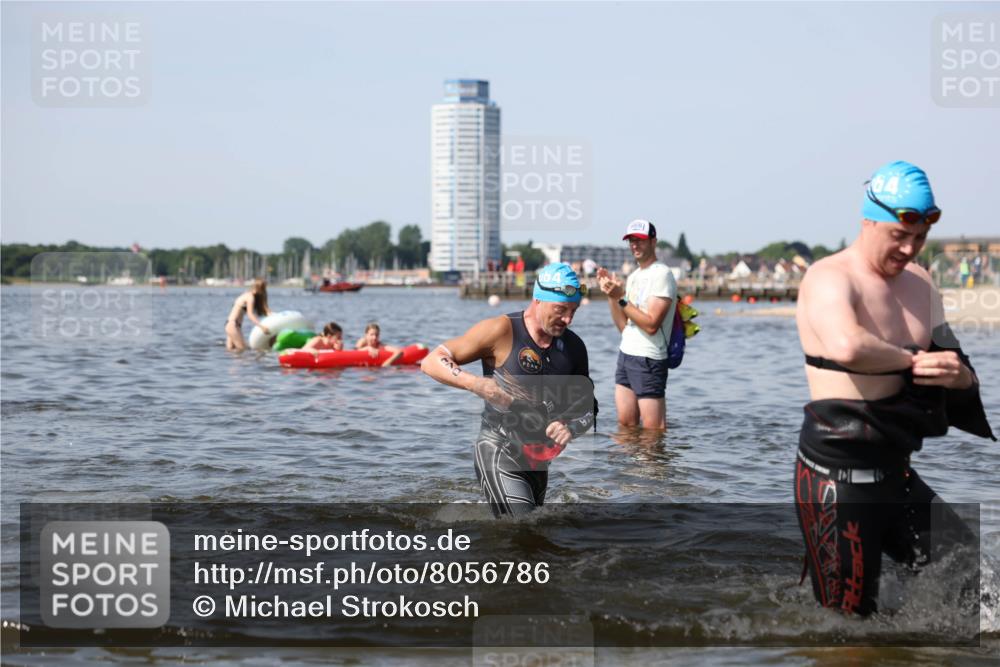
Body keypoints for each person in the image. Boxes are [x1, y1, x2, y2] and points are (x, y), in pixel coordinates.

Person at [794, 161, 995, 616]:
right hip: (835, 482)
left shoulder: (922, 284)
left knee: (979, 589)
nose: (909, 248)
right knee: (847, 629)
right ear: (868, 221)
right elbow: (847, 345)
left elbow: (956, 359)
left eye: (920, 238)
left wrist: (960, 377)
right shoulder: (829, 277)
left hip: (898, 475)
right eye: (898, 236)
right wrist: (913, 361)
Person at [420, 263, 596, 517]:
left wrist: (570, 426)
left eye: (573, 311)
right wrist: (477, 384)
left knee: (536, 536)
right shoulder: (502, 330)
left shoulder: (574, 347)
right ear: (538, 299)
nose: (567, 319)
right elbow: (432, 361)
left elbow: (588, 408)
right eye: (560, 310)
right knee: (522, 530)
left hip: (538, 463)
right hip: (498, 447)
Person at [596, 219, 677, 429]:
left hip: (649, 357)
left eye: (640, 240)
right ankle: (629, 464)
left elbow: (651, 325)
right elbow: (624, 327)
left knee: (653, 430)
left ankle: (653, 463)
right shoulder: (634, 276)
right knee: (625, 425)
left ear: (653, 241)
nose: (635, 245)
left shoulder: (662, 274)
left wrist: (621, 297)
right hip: (626, 354)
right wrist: (611, 296)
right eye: (631, 240)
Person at [225, 278, 272, 351]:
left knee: (232, 351)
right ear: (260, 288)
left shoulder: (247, 295)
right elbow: (250, 314)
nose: (265, 291)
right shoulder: (250, 297)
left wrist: (272, 315)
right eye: (264, 289)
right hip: (233, 325)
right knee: (243, 350)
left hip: (230, 324)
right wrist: (261, 326)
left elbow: (265, 309)